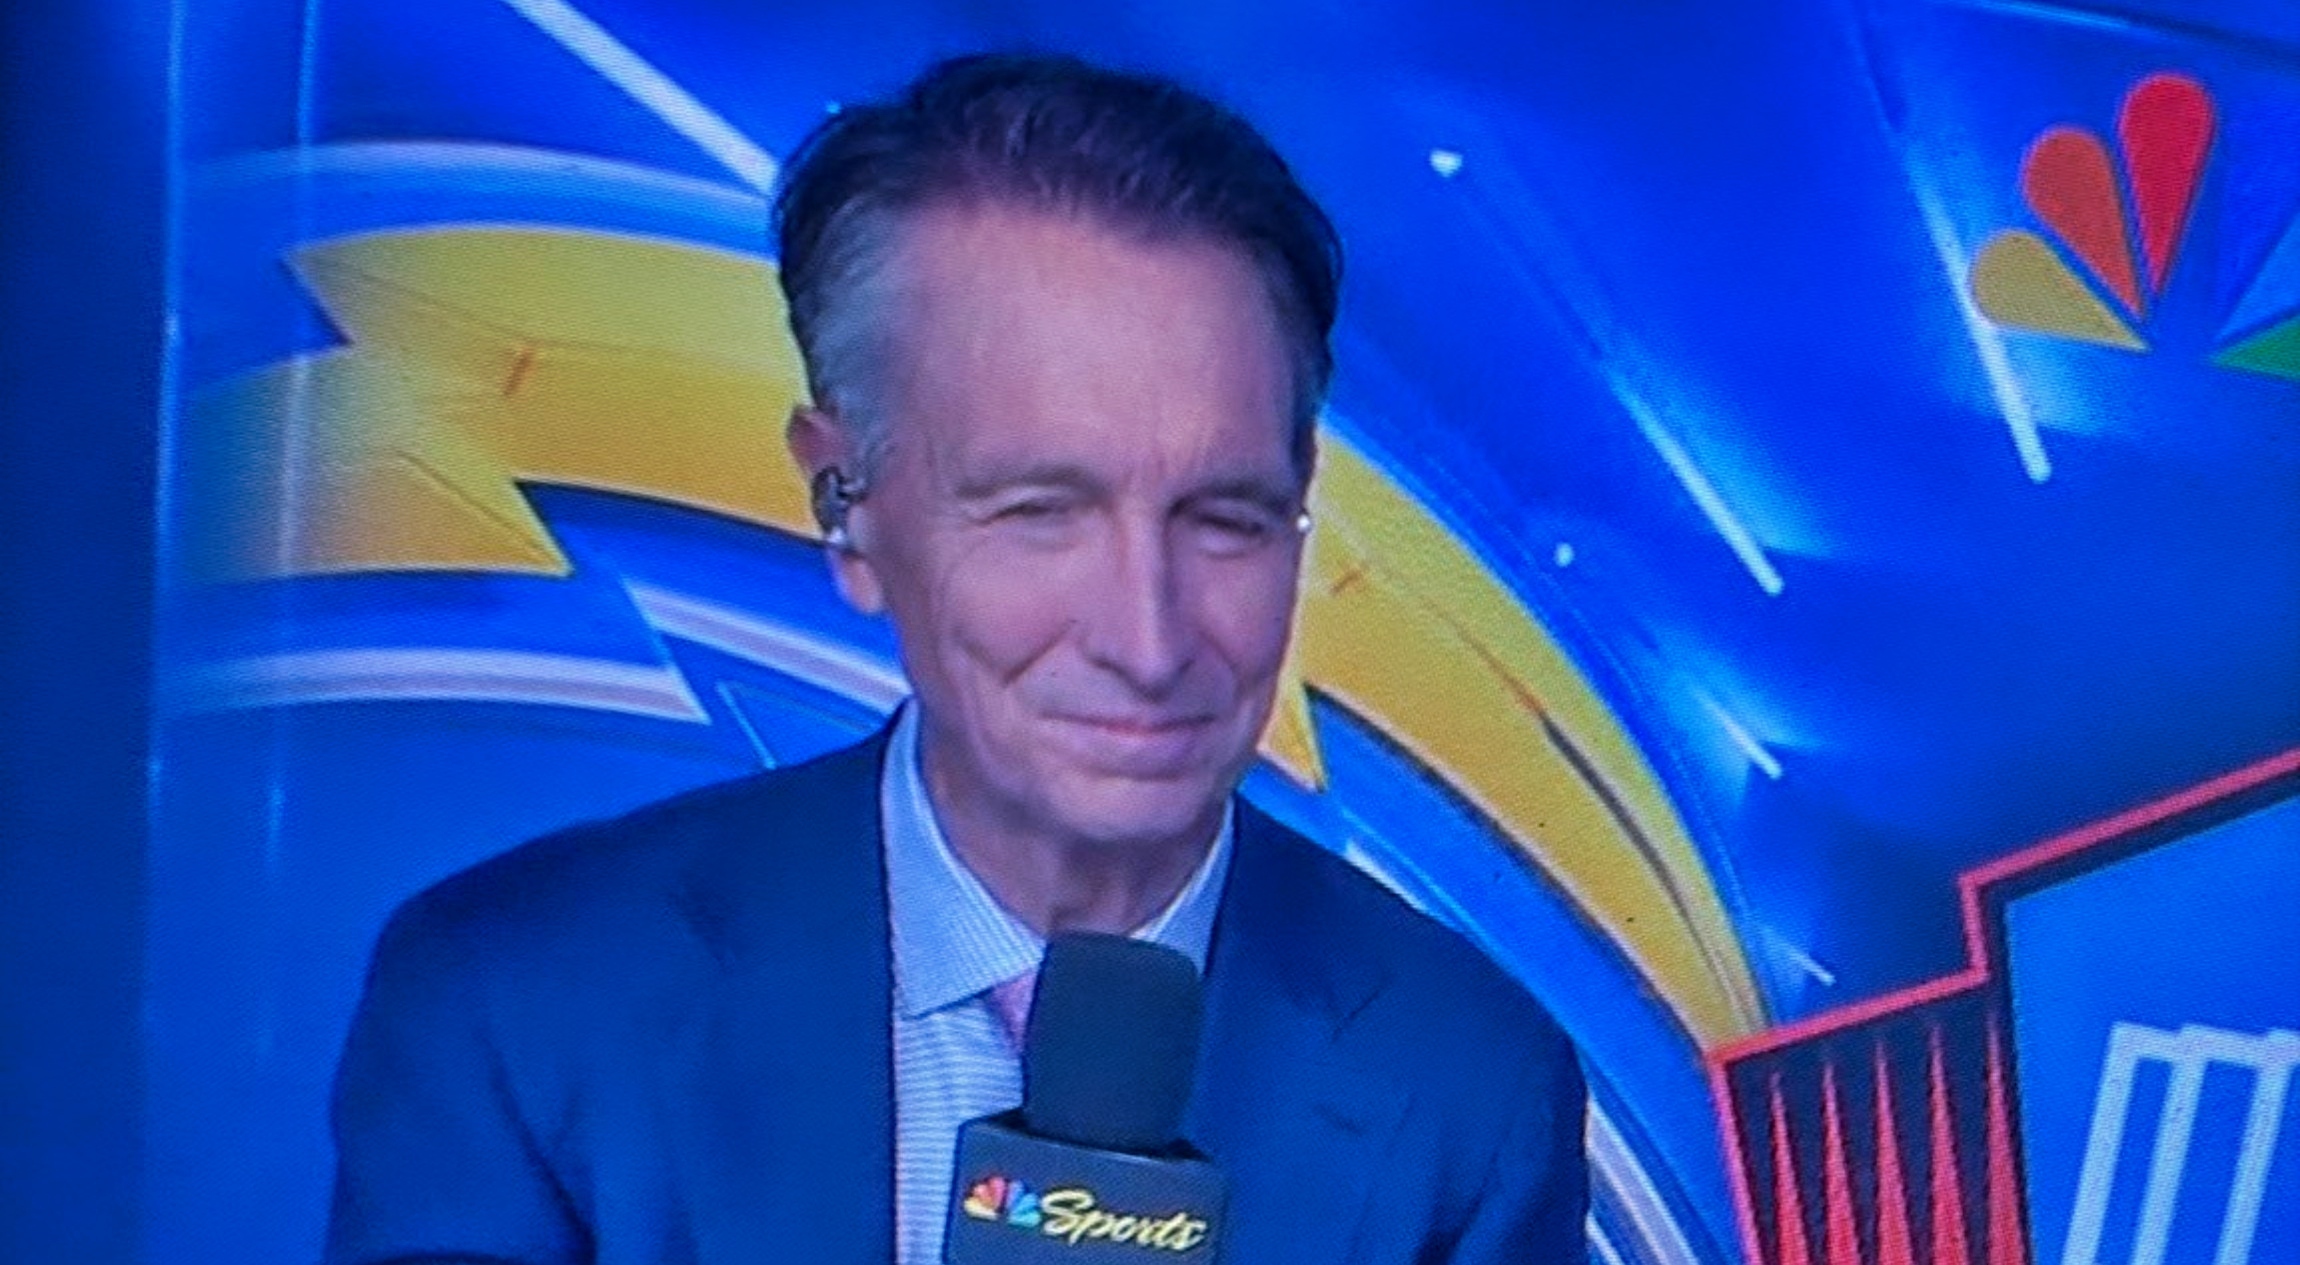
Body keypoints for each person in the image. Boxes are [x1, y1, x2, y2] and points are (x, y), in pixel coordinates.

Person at [325, 52, 1586, 1265]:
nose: (1147, 641)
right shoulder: (515, 1003)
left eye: (1224, 518)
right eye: (1038, 512)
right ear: (845, 501)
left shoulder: (1468, 1089)